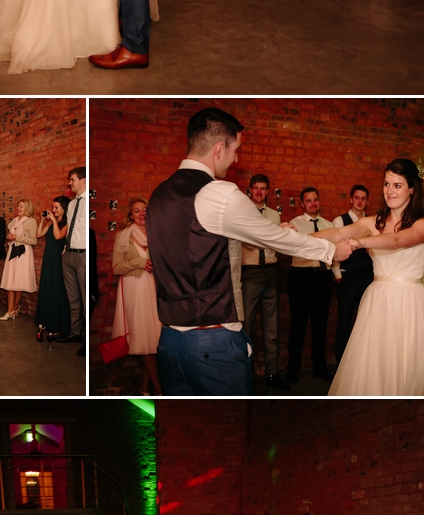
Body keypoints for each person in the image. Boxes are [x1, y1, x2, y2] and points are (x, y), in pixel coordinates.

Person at [146, 108, 355, 396]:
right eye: (236, 150)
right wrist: (331, 250)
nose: (236, 159)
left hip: (169, 342)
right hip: (212, 342)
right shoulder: (219, 193)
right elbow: (277, 240)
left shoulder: (158, 194)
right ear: (219, 148)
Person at [328, 158, 424, 396]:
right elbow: (336, 232)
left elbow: (397, 241)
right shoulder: (372, 222)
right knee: (374, 365)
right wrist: (297, 237)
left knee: (411, 367)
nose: (389, 191)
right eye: (386, 184)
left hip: (411, 303)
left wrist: (360, 242)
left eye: (397, 185)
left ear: (412, 188)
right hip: (378, 300)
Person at [240, 173, 289, 391]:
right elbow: (247, 242)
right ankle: (246, 375)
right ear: (249, 189)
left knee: (272, 327)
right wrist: (266, 237)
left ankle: (272, 372)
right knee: (247, 327)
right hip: (250, 273)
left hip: (271, 271)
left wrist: (277, 235)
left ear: (268, 191)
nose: (259, 192)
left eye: (263, 188)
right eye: (255, 188)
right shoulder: (242, 213)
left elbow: (275, 243)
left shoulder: (273, 216)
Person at [111, 195, 162, 393]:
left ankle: (144, 388)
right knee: (143, 336)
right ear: (130, 216)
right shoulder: (123, 236)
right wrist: (139, 262)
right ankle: (158, 390)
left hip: (155, 287)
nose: (142, 213)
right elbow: (116, 268)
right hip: (134, 287)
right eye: (137, 211)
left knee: (154, 339)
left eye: (144, 209)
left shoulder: (157, 234)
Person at [285, 187, 334, 383]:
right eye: (308, 201)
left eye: (315, 200)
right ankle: (293, 369)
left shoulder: (329, 225)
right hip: (301, 277)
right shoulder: (295, 224)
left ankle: (320, 367)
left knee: (320, 326)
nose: (313, 204)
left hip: (323, 277)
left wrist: (336, 274)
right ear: (302, 204)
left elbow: (333, 252)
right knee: (298, 325)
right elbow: (295, 246)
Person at [332, 185, 375, 364]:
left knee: (366, 322)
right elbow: (334, 249)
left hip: (368, 278)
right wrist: (337, 275)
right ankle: (341, 361)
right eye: (357, 197)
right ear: (351, 199)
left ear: (367, 201)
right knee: (344, 320)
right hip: (347, 277)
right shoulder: (340, 221)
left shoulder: (373, 223)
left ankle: (361, 363)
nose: (359, 201)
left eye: (363, 198)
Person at [35, 196, 71, 341]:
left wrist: (54, 221)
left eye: (57, 208)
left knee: (57, 288)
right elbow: (39, 235)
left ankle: (59, 324)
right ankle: (47, 321)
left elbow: (58, 236)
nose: (54, 210)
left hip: (59, 258)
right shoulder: (51, 223)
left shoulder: (67, 224)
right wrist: (43, 221)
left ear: (64, 208)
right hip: (48, 256)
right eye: (53, 207)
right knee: (48, 287)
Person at [0, 198, 37, 320]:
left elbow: (33, 240)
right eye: (18, 206)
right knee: (10, 280)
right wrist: (10, 237)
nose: (18, 208)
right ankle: (10, 309)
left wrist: (17, 237)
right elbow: (12, 235)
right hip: (13, 250)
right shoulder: (14, 221)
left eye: (21, 206)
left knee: (19, 281)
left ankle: (14, 308)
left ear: (27, 209)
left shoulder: (31, 221)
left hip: (23, 253)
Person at [62, 166, 87, 353]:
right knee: (73, 298)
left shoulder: (89, 202)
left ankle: (86, 340)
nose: (70, 183)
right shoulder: (71, 204)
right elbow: (71, 229)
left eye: (73, 179)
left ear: (83, 181)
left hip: (83, 255)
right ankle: (75, 332)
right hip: (68, 254)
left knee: (86, 300)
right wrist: (65, 247)